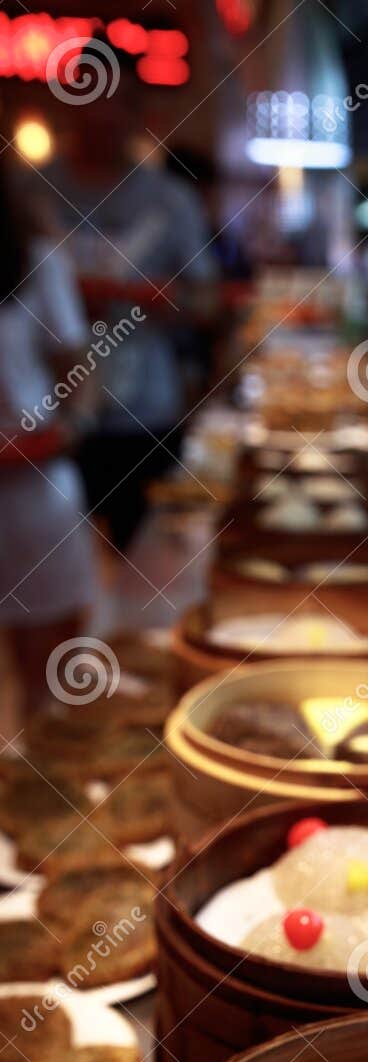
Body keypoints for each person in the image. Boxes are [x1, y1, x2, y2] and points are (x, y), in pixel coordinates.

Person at [45, 55, 218, 554]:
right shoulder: (25, 194)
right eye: (87, 98)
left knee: (142, 565)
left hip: (145, 415)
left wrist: (160, 299)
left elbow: (205, 302)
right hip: (43, 418)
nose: (101, 115)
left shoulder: (172, 199)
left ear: (138, 113)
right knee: (47, 571)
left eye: (115, 102)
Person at [0, 151, 97, 713]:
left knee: (51, 664)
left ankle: (47, 781)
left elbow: (76, 362)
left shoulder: (36, 260)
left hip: (35, 480)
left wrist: (72, 426)